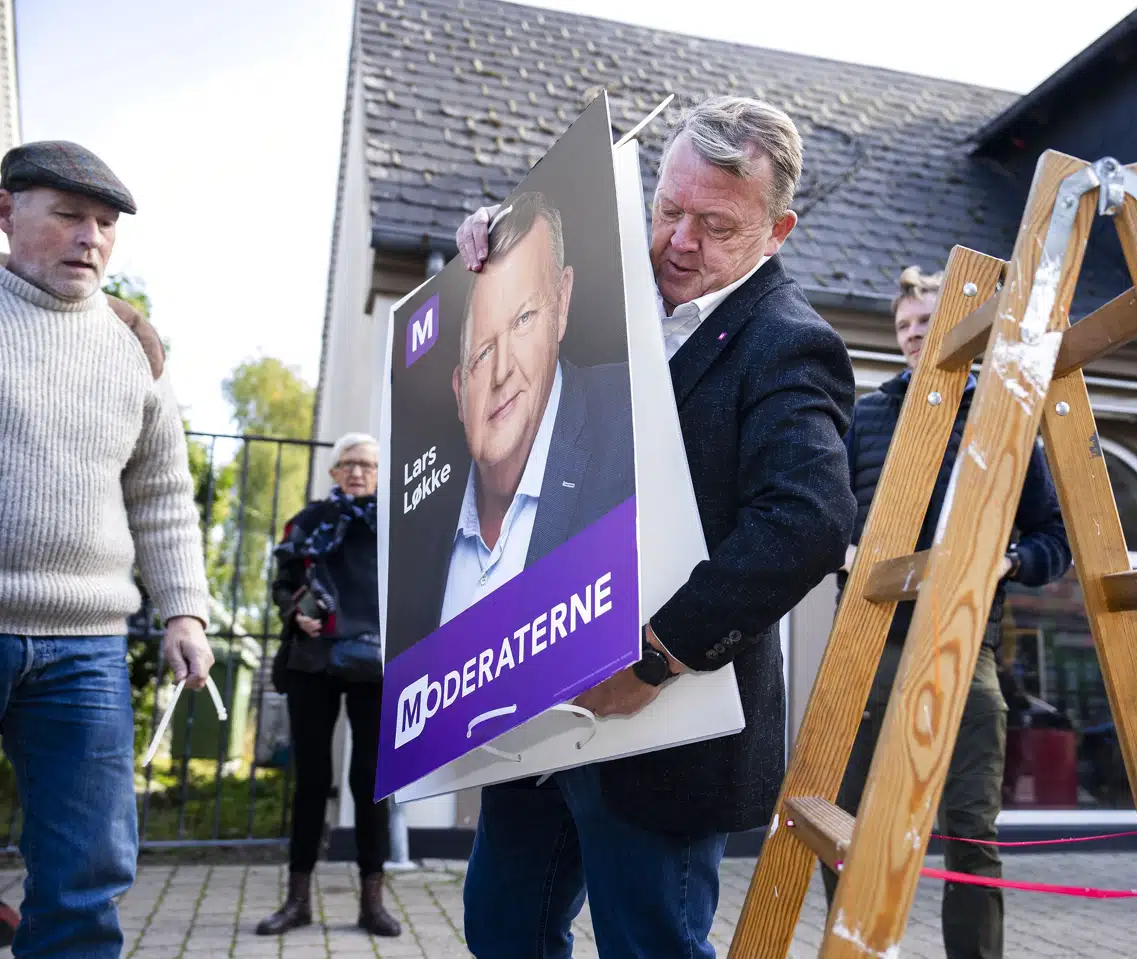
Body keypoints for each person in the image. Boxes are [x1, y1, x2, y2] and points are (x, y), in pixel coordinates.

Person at [453, 95, 856, 957]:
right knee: (502, 930)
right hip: (543, 699)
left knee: (648, 946)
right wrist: (496, 247)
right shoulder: (611, 296)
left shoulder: (789, 342)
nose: (679, 240)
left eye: (716, 225)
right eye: (669, 209)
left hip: (660, 725)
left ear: (777, 231)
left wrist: (656, 656)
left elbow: (808, 520)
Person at [0, 140, 214, 957]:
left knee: (87, 873)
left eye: (105, 224)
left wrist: (184, 612)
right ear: (6, 212)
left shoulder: (135, 349)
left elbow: (162, 493)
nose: (91, 237)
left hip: (85, 647)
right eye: (68, 216)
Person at [824, 266, 1072, 959]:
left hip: (967, 641)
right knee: (837, 819)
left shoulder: (1005, 416)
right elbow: (823, 512)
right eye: (903, 325)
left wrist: (1009, 561)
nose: (912, 335)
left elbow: (1054, 538)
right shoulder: (870, 415)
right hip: (871, 640)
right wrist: (841, 548)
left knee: (971, 831)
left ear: (962, 331)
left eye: (926, 322)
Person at [434, 189, 634, 630]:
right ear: (459, 392)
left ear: (562, 303)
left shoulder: (630, 415)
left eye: (523, 319)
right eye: (482, 352)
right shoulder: (424, 538)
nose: (502, 371)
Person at [259, 433, 400, 938]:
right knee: (312, 780)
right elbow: (282, 584)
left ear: (380, 474)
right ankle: (297, 901)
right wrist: (295, 610)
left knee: (371, 781)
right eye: (349, 464)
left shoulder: (398, 524)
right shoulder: (308, 521)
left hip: (376, 664)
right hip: (313, 660)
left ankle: (372, 903)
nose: (358, 472)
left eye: (367, 465)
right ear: (334, 472)